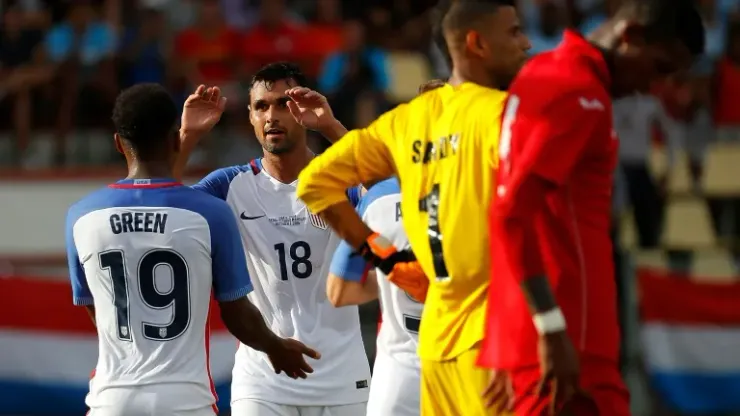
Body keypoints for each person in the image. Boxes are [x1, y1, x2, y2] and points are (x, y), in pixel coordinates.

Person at [295, 1, 530, 414]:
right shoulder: (493, 128)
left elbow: (319, 190)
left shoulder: (384, 188)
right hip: (483, 350)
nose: (525, 43)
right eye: (513, 33)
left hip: (410, 364)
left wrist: (392, 266)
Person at [480, 0, 705, 414]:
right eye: (658, 67)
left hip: (553, 341)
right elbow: (510, 212)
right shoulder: (577, 91)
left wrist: (506, 338)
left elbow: (512, 208)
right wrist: (549, 328)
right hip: (570, 346)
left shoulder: (543, 74)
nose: (652, 87)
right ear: (630, 36)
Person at [65, 84, 320, 416]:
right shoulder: (208, 213)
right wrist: (275, 347)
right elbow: (237, 313)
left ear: (117, 143)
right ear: (174, 139)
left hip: (112, 399)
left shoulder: (81, 215)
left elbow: (97, 310)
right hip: (186, 400)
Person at [174, 62, 371, 416]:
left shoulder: (339, 175)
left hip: (342, 379)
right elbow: (166, 206)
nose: (271, 116)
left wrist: (330, 125)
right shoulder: (229, 184)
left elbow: (389, 190)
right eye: (261, 106)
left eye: (283, 104)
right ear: (249, 117)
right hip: (263, 381)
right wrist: (187, 138)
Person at [326, 178, 423, 416]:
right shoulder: (480, 185)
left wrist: (391, 270)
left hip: (401, 374)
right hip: (471, 362)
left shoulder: (380, 198)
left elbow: (339, 291)